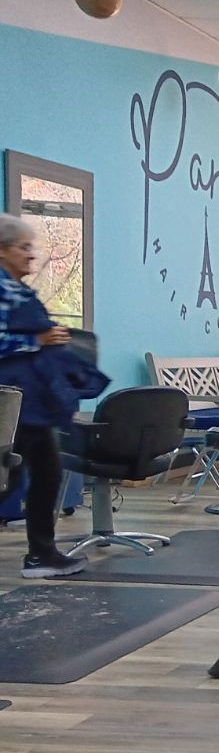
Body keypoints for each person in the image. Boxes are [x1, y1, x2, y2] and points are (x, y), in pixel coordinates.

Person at [0, 213, 96, 577]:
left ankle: (42, 554)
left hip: (31, 402)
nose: (31, 254)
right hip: (11, 403)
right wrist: (35, 339)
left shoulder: (17, 290)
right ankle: (41, 554)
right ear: (2, 250)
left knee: (45, 473)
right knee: (13, 478)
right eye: (23, 247)